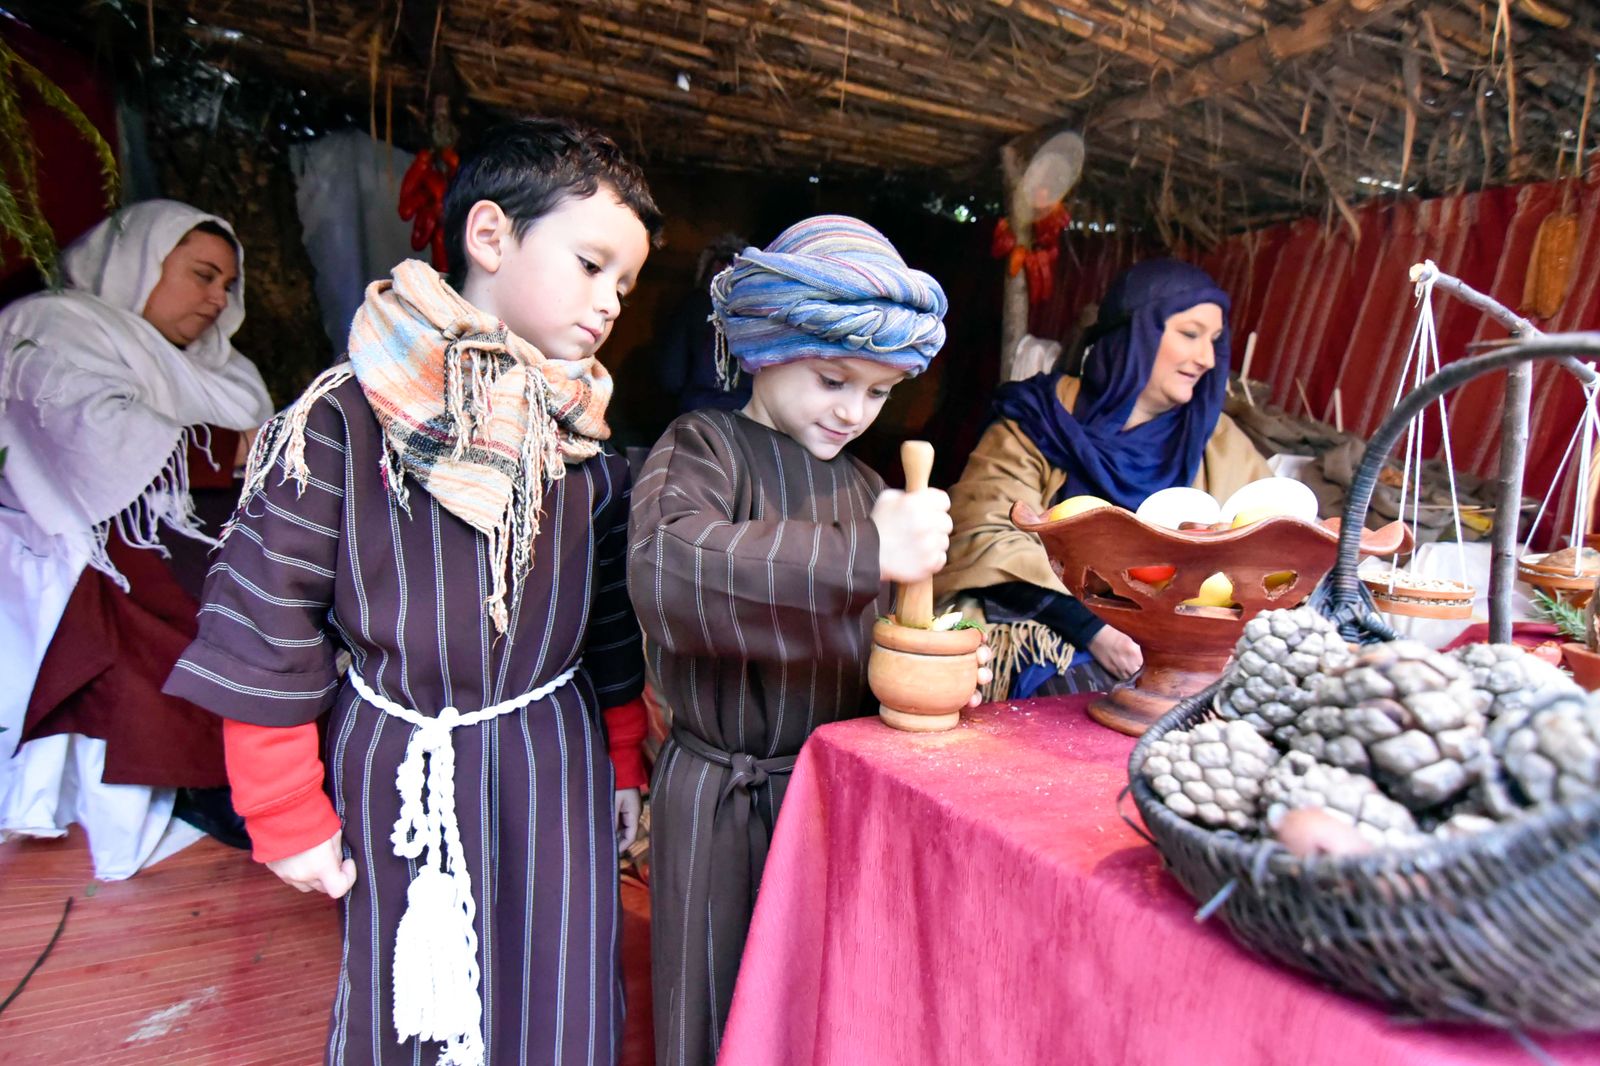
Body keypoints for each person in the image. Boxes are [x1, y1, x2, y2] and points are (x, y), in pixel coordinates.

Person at [162, 118, 658, 1066]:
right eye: (592, 265)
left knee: (563, 978)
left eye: (625, 286)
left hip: (551, 753)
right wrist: (283, 810)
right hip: (400, 759)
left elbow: (606, 624)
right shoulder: (342, 418)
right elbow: (268, 618)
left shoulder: (585, 447)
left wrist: (623, 761)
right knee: (409, 992)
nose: (610, 305)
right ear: (488, 236)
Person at [629, 215, 989, 1066]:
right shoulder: (702, 448)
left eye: (877, 391)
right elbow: (668, 570)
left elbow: (878, 643)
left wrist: (931, 672)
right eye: (833, 379)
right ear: (763, 346)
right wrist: (870, 553)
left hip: (830, 802)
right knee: (712, 1012)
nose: (854, 411)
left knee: (816, 1010)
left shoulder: (871, 487)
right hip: (720, 798)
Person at [0, 200, 273, 879]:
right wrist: (233, 450)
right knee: (188, 604)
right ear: (135, 264)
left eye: (227, 285)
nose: (217, 299)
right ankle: (208, 782)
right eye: (202, 275)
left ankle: (272, 778)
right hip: (85, 528)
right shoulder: (53, 326)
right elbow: (90, 435)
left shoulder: (225, 370)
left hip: (186, 522)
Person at [935, 258, 1271, 700]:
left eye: (1214, 340)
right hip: (1049, 628)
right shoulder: (1040, 419)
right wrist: (1094, 629)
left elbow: (1274, 553)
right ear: (1137, 332)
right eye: (1190, 334)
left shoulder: (1221, 446)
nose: (1207, 359)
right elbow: (984, 537)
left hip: (1179, 654)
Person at [654, 232, 750, 415]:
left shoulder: (693, 307)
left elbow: (671, 377)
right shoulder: (760, 314)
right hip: (747, 419)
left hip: (697, 416)